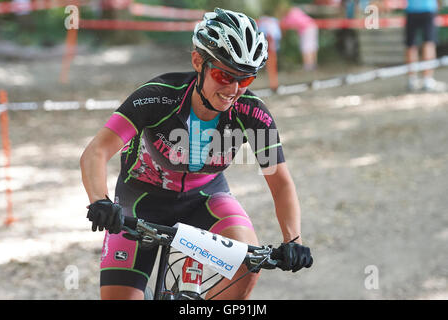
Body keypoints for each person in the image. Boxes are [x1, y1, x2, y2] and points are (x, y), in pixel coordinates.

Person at [80, 7, 313, 300]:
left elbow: (280, 182)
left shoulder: (253, 114)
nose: (234, 88)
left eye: (246, 79)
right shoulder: (157, 96)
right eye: (223, 75)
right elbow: (95, 152)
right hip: (139, 200)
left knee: (249, 261)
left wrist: (293, 240)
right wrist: (99, 201)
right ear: (197, 62)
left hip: (206, 198)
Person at [405, 0, 446, 92]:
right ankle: (427, 79)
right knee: (428, 44)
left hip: (412, 10)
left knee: (411, 45)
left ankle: (412, 79)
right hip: (428, 9)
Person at [279, 5, 319, 70]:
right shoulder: (295, 10)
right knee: (312, 46)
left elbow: (284, 26)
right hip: (312, 26)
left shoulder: (289, 16)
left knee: (306, 47)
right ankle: (313, 65)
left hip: (306, 29)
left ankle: (308, 66)